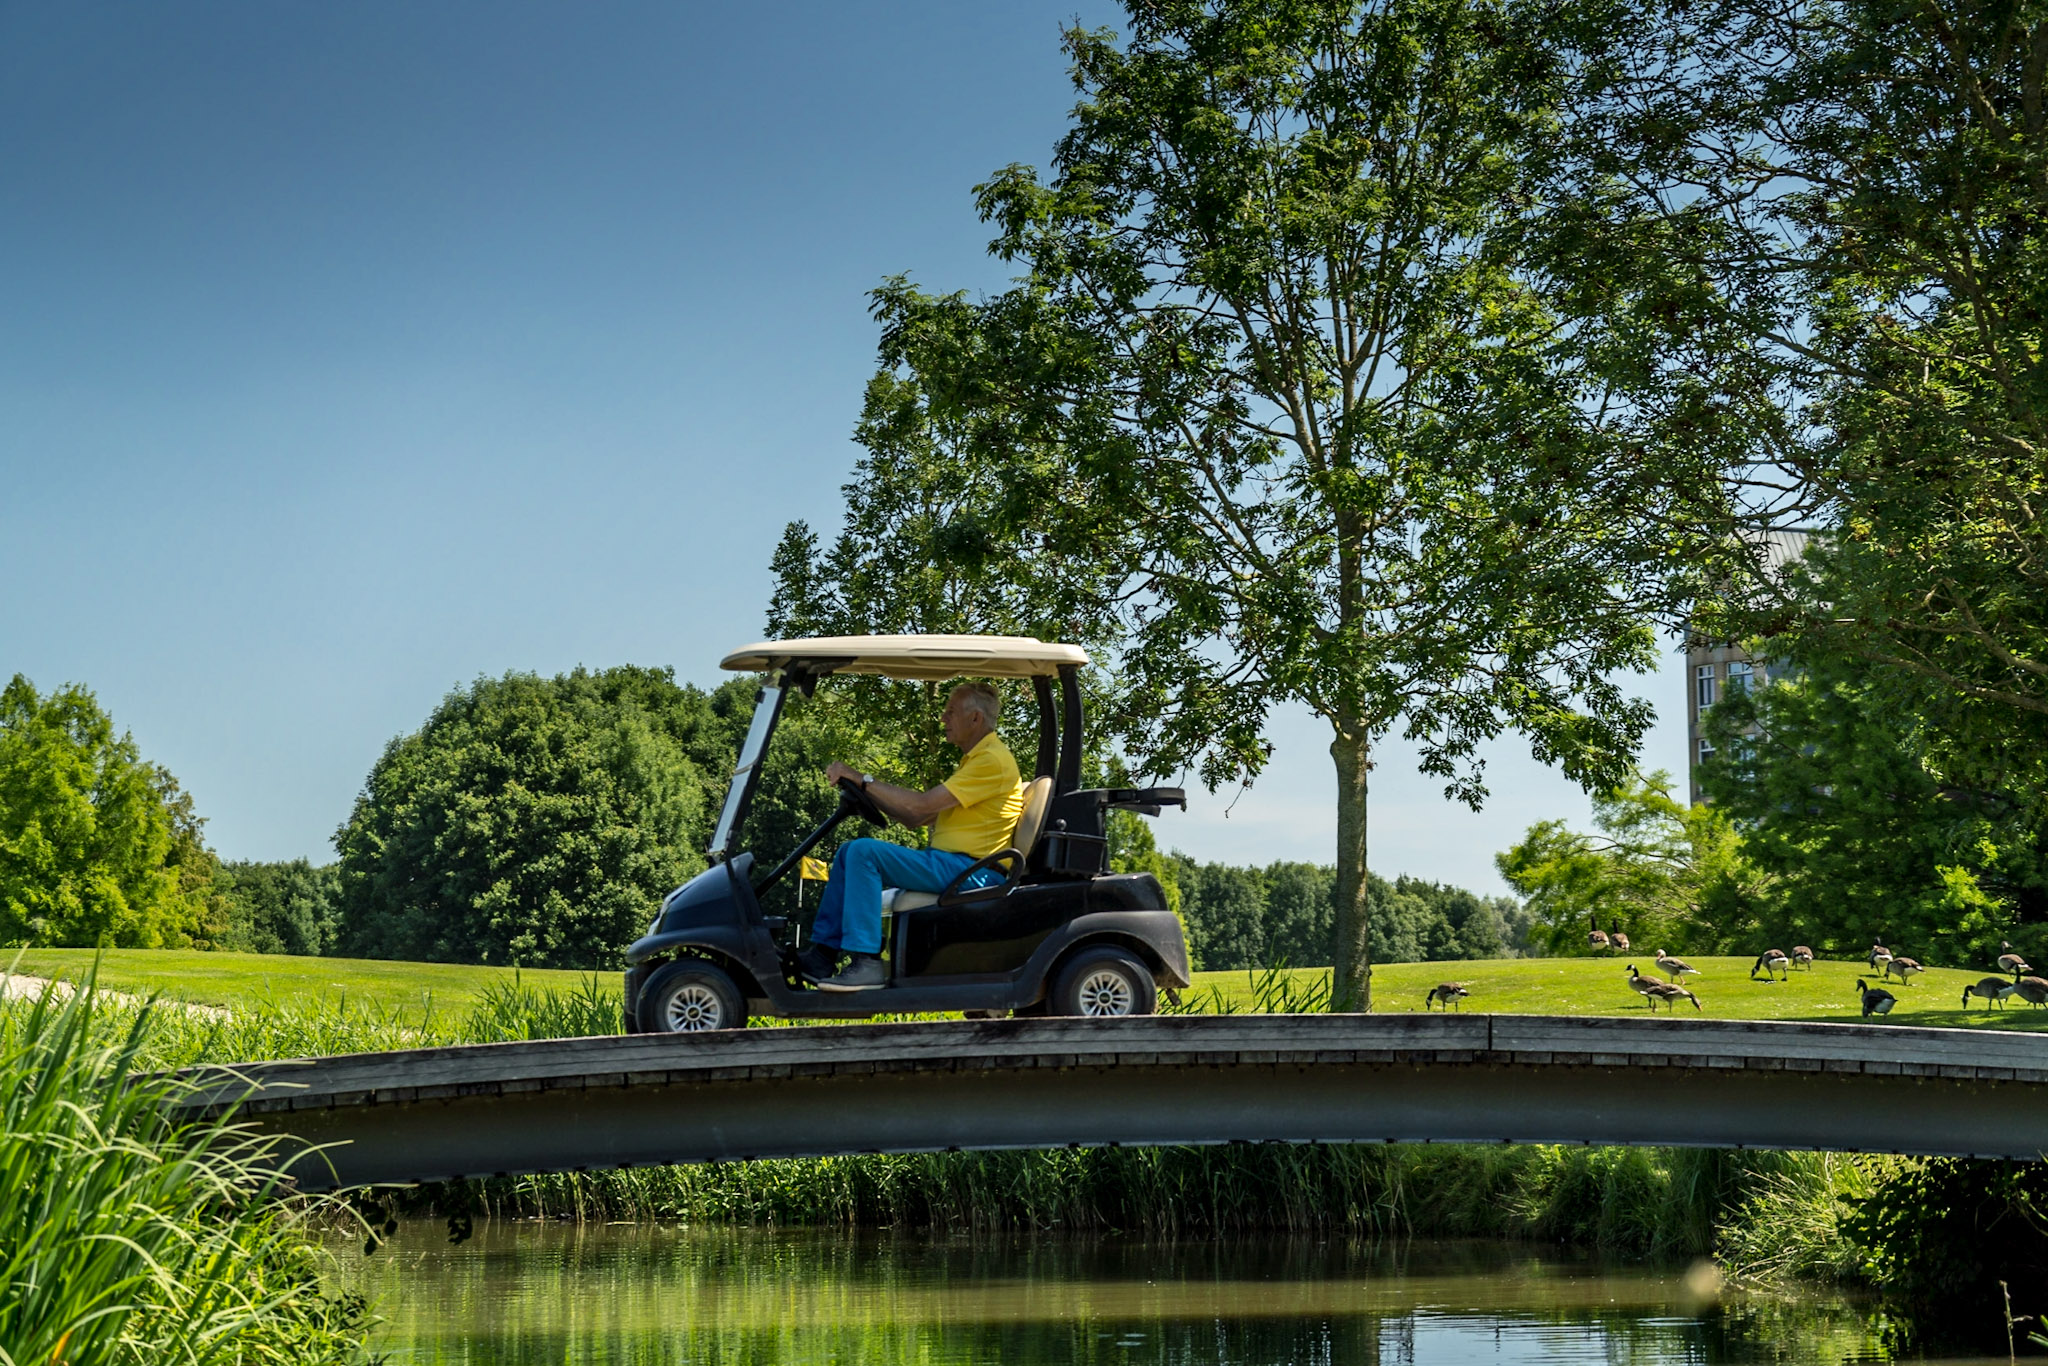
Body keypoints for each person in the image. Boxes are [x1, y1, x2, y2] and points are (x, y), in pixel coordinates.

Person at [800, 681, 1024, 990]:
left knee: (863, 853)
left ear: (975, 719)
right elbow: (914, 817)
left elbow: (920, 805)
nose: (943, 719)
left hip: (973, 871)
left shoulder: (991, 761)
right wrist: (865, 793)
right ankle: (823, 954)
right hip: (954, 865)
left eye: (951, 712)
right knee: (850, 851)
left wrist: (860, 778)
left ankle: (866, 963)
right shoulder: (977, 761)